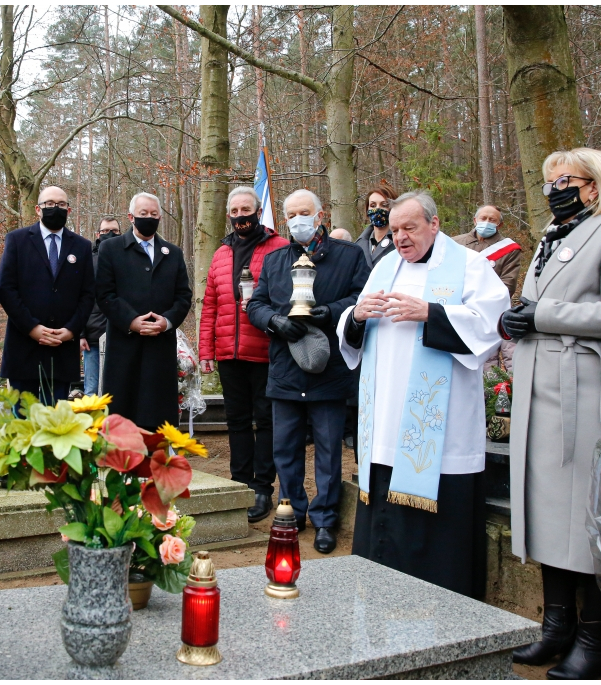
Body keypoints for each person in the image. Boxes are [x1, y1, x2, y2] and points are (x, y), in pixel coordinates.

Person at [502, 148, 601, 679]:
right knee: (545, 506)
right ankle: (557, 625)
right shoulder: (550, 236)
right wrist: (520, 320)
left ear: (594, 185)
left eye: (566, 179)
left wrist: (543, 314)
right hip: (541, 386)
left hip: (589, 390)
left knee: (586, 513)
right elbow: (538, 303)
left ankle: (597, 636)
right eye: (549, 180)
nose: (554, 188)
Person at [338, 190, 508, 598]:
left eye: (409, 228)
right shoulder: (384, 268)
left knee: (434, 540)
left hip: (440, 430)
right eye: (394, 230)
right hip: (383, 425)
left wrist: (431, 312)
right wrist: (357, 316)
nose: (400, 238)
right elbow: (351, 323)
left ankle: (439, 602)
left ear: (434, 224)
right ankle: (378, 593)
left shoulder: (469, 266)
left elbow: (492, 324)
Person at [246, 189, 370, 554]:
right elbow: (256, 303)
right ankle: (292, 510)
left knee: (329, 450)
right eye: (291, 214)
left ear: (319, 215)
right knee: (285, 449)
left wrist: (331, 311)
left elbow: (362, 297)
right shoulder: (274, 260)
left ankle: (325, 518)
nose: (298, 219)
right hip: (285, 367)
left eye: (305, 212)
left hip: (328, 367)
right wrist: (274, 322)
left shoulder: (349, 256)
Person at [198, 187, 288, 523]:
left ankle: (262, 485)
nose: (240, 216)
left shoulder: (278, 246)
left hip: (266, 350)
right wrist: (206, 349)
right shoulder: (221, 252)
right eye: (234, 210)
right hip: (228, 351)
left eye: (246, 209)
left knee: (265, 420)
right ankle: (240, 481)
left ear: (258, 210)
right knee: (236, 420)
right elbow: (210, 304)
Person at [95, 192, 192, 430]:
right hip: (124, 347)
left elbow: (183, 296)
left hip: (160, 347)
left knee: (157, 414)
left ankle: (158, 464)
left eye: (153, 214)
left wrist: (166, 321)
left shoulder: (173, 253)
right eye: (143, 214)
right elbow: (105, 294)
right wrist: (131, 321)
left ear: (160, 216)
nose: (149, 218)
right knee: (122, 413)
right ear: (131, 217)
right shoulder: (110, 249)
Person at [0, 186, 94, 405]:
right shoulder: (17, 240)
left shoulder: (82, 246)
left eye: (61, 204)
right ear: (37, 209)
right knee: (23, 422)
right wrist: (32, 328)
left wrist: (71, 330)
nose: (55, 208)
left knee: (56, 421)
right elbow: (6, 288)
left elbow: (88, 294)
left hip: (62, 347)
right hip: (24, 345)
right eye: (49, 204)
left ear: (68, 210)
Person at [454, 205, 522, 374]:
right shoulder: (455, 243)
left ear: (499, 225)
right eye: (483, 218)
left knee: (488, 362)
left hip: (489, 313)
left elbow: (508, 284)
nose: (487, 222)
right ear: (475, 220)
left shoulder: (509, 250)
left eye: (492, 220)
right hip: (456, 310)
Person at [82, 216, 121, 395]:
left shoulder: (129, 258)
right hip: (92, 335)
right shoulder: (88, 261)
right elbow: (80, 297)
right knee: (91, 390)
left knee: (118, 389)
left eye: (114, 231)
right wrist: (80, 333)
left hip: (123, 334)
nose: (110, 234)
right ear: (98, 234)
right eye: (105, 231)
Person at [354, 186, 398, 269]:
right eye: (373, 205)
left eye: (384, 205)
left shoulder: (400, 241)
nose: (377, 209)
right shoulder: (358, 244)